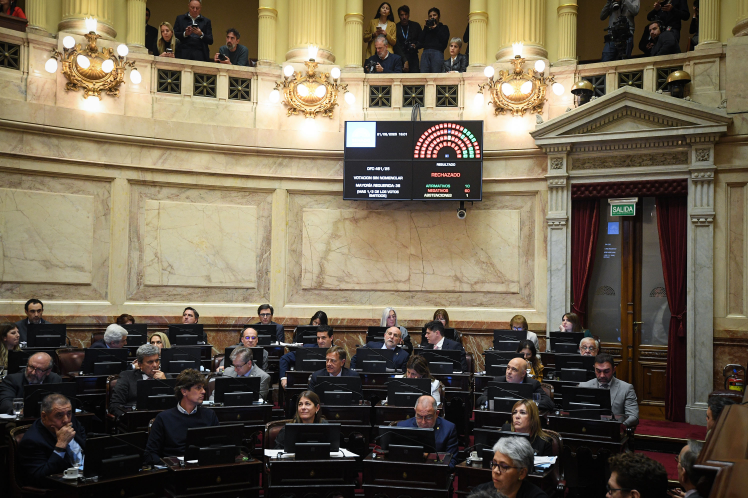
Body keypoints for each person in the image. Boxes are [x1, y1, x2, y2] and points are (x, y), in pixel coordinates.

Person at [144, 369, 219, 465]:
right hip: (174, 468)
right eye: (198, 388)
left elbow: (218, 446)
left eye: (203, 387)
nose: (203, 391)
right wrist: (168, 465)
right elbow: (150, 454)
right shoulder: (163, 418)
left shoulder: (209, 415)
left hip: (203, 467)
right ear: (184, 391)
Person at [19, 394, 86, 483]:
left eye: (69, 413)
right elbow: (39, 477)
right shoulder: (32, 440)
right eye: (59, 415)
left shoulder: (73, 421)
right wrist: (61, 445)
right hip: (64, 484)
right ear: (44, 416)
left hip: (88, 475)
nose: (66, 420)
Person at [472, 437, 549, 498]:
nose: (495, 470)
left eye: (504, 467)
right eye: (494, 464)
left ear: (522, 473)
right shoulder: (480, 492)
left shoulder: (537, 496)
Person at [396, 395, 459, 469]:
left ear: (436, 414)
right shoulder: (403, 426)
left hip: (436, 471)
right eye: (419, 416)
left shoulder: (448, 429)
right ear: (415, 412)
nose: (423, 422)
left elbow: (452, 461)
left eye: (428, 417)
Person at [578, 353, 639, 427]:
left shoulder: (626, 388)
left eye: (606, 371)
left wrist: (619, 426)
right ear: (594, 368)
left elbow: (633, 416)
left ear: (614, 370)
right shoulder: (584, 386)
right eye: (598, 371)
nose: (602, 375)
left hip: (614, 430)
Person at [476, 357, 555, 413]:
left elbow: (548, 403)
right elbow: (481, 399)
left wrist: (528, 406)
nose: (509, 372)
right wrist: (495, 402)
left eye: (514, 369)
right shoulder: (497, 381)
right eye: (508, 368)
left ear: (523, 373)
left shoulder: (533, 384)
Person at [109, 344, 165, 417]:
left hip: (161, 417)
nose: (155, 365)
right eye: (150, 362)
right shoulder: (127, 377)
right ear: (140, 364)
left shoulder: (165, 377)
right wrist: (127, 418)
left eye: (157, 361)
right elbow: (115, 405)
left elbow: (174, 403)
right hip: (135, 417)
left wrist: (164, 383)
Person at [279, 325, 334, 389]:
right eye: (318, 338)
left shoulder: (337, 352)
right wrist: (283, 378)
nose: (320, 341)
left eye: (323, 338)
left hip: (328, 384)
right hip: (304, 384)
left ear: (331, 338)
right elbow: (285, 358)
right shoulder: (308, 348)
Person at [417, 7, 449, 73]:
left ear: (439, 16)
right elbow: (420, 40)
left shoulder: (444, 28)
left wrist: (436, 28)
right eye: (430, 16)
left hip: (437, 53)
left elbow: (444, 40)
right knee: (423, 75)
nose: (432, 17)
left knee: (436, 76)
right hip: (425, 53)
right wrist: (425, 28)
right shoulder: (427, 29)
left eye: (434, 15)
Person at [394, 5, 422, 73]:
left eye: (406, 14)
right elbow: (396, 45)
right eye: (402, 15)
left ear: (408, 15)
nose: (404, 17)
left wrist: (416, 46)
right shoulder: (395, 27)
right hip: (400, 57)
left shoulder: (416, 26)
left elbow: (422, 41)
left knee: (415, 77)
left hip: (413, 57)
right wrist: (404, 60)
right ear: (399, 16)